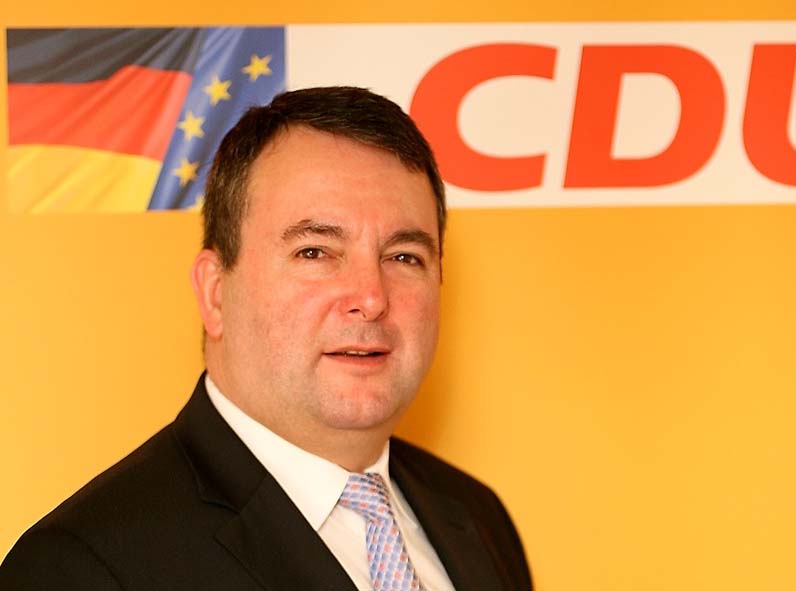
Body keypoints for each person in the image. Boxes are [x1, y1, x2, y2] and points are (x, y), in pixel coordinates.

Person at [0, 87, 532, 590]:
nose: (371, 297)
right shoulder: (81, 568)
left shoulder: (477, 517)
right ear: (215, 293)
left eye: (403, 257)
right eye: (314, 252)